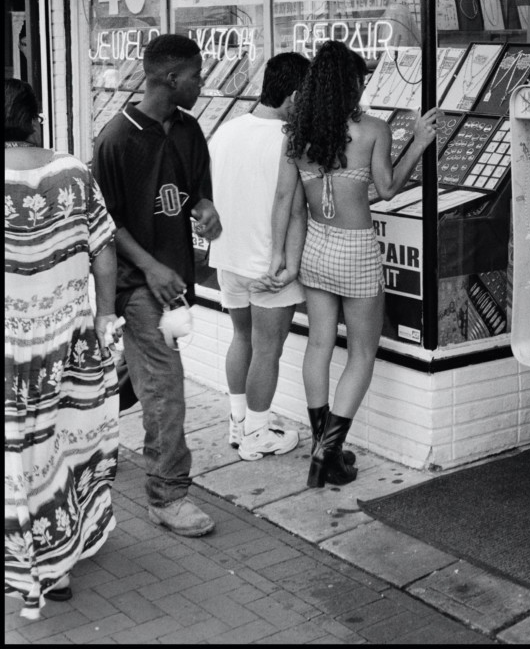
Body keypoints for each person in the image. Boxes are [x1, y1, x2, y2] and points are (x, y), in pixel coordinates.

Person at [269, 40, 439, 488]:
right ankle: (327, 454)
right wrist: (419, 142)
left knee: (319, 345)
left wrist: (279, 256)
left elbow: (286, 199)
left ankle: (320, 449)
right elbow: (387, 188)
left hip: (316, 247)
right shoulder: (373, 130)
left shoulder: (296, 135)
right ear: (352, 84)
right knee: (362, 353)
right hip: (357, 250)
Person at [92, 34, 222, 537]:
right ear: (171, 78)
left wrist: (207, 211)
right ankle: (167, 495)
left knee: (136, 376)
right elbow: (106, 225)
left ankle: (83, 428)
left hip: (174, 281)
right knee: (166, 385)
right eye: (196, 75)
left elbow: (197, 194)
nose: (202, 83)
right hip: (137, 283)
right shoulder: (115, 139)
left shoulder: (190, 129)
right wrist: (149, 267)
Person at [5, 78, 121, 619]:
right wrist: (104, 315)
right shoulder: (72, 172)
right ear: (33, 120)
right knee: (65, 442)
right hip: (67, 341)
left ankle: (27, 558)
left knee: (16, 451)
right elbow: (103, 249)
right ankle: (59, 559)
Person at [208, 52, 311, 461]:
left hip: (228, 258)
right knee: (268, 349)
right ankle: (257, 433)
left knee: (242, 338)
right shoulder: (289, 141)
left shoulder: (226, 131)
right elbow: (296, 209)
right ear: (295, 96)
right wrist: (288, 264)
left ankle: (239, 423)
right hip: (269, 265)